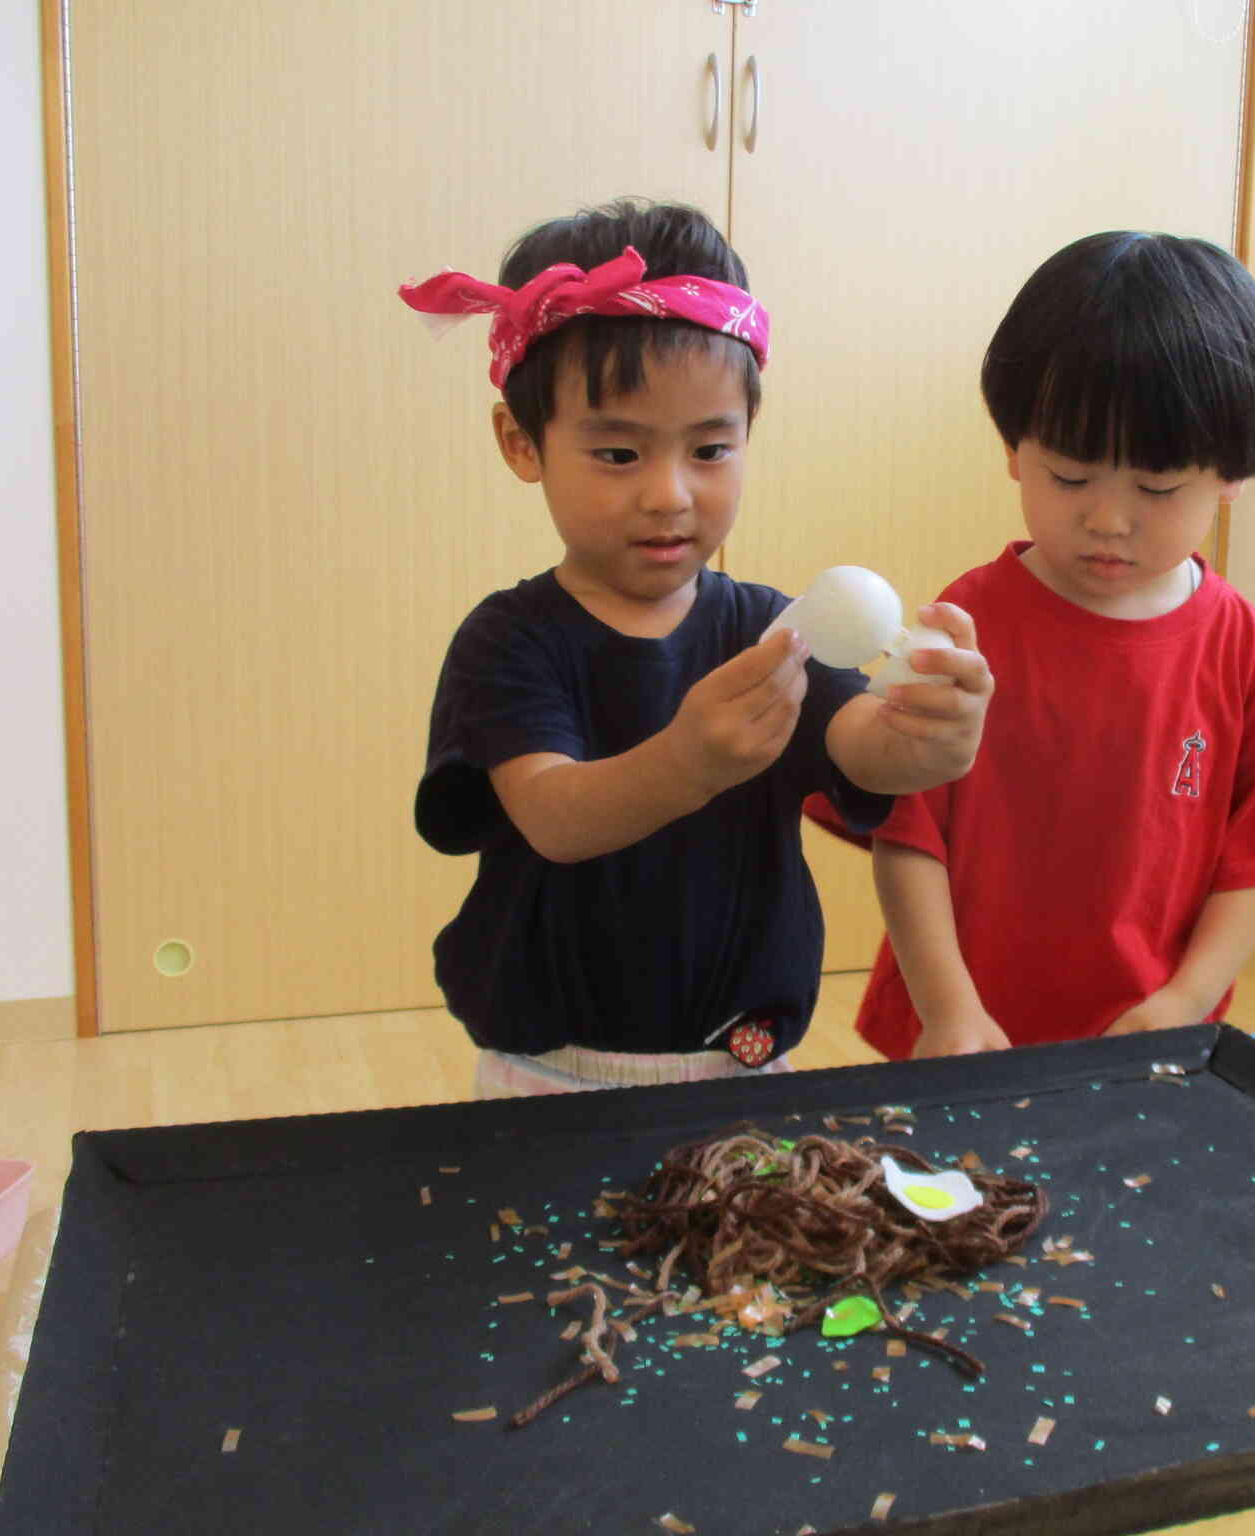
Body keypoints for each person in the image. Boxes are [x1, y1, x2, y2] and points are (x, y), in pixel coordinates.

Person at [399, 198, 991, 1096]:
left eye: (711, 448)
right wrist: (686, 762)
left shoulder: (774, 627)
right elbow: (555, 817)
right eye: (619, 455)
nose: (671, 494)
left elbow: (859, 741)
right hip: (547, 1072)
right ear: (523, 444)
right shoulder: (510, 640)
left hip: (747, 1060)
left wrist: (930, 735)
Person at [808, 231, 1255, 1060]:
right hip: (962, 1030)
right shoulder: (968, 624)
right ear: (1012, 449)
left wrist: (1187, 999)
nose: (1107, 518)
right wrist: (947, 1009)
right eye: (1068, 477)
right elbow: (906, 835)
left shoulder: (1244, 649)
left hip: (1146, 1036)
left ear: (1233, 473)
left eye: (1158, 487)